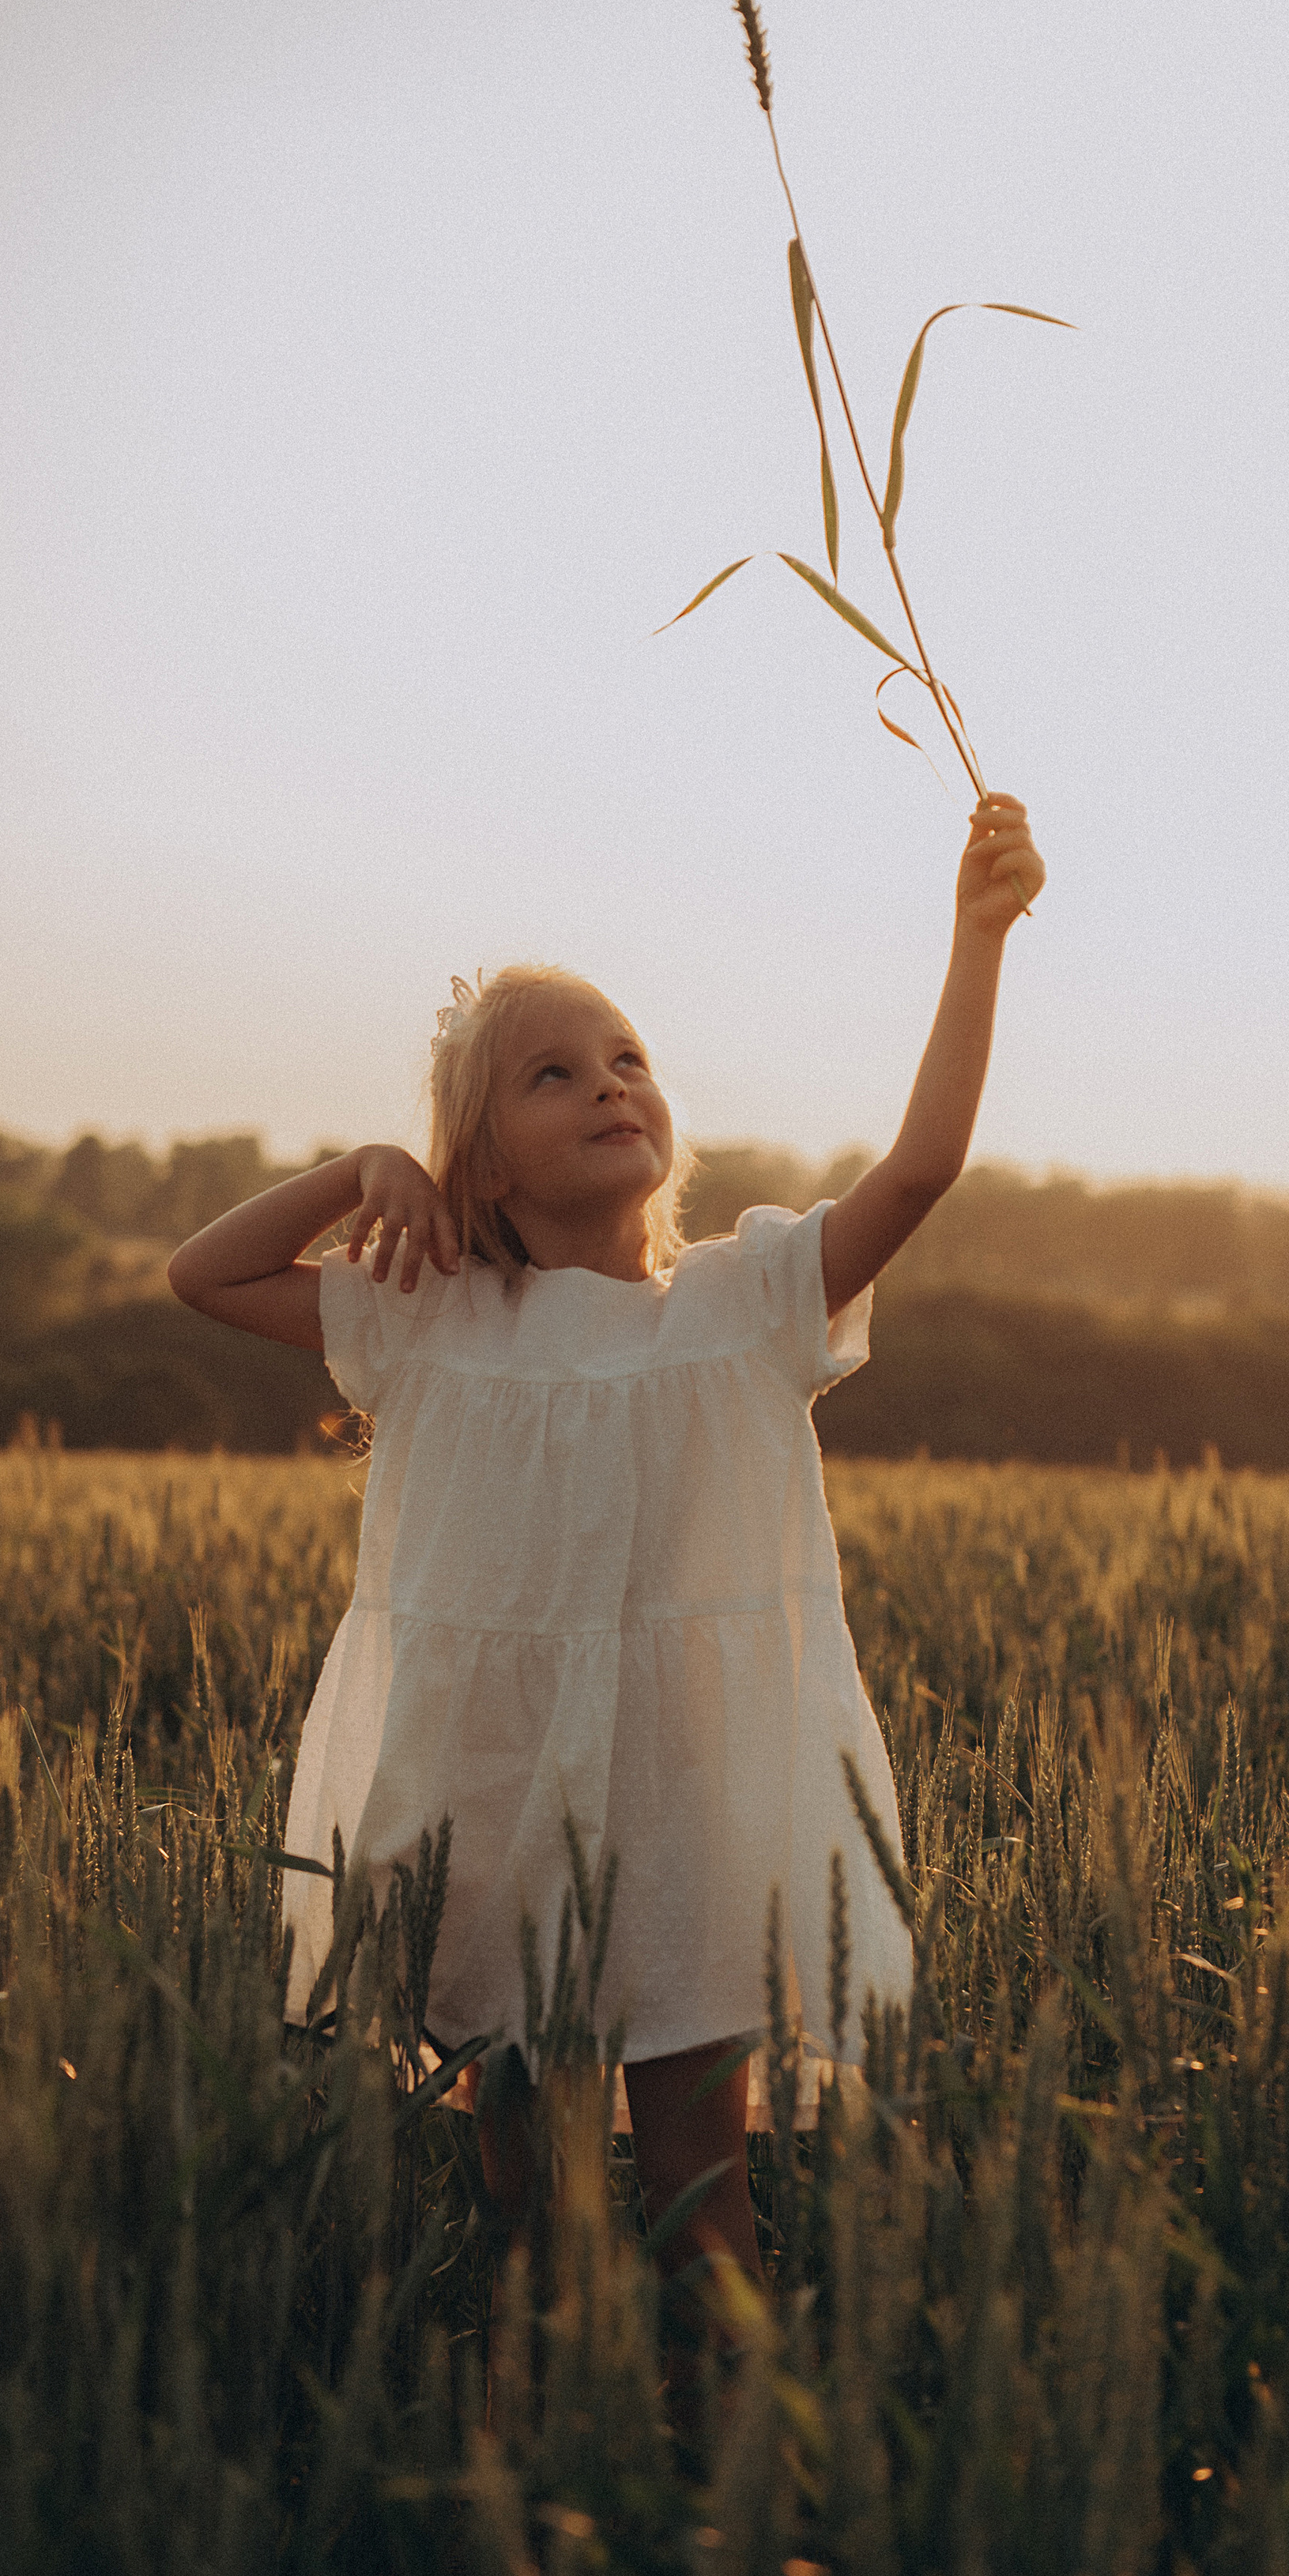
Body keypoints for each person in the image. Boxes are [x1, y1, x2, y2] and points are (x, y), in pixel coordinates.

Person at [167, 793, 1046, 2290]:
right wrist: (364, 1167)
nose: (610, 1086)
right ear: (483, 1167)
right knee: (533, 2232)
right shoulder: (431, 1318)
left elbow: (921, 1170)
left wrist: (976, 942)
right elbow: (204, 1271)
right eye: (553, 1076)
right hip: (490, 1823)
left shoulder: (746, 1300)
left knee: (705, 2226)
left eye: (629, 1060)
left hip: (688, 1827)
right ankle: (547, 2487)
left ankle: (716, 2491)